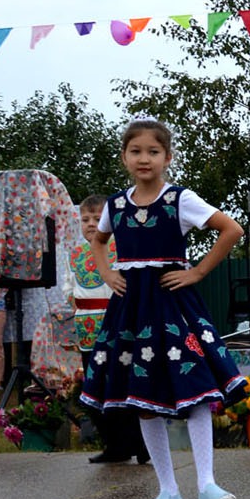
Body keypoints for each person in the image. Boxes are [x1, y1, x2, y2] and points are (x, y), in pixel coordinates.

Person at [79, 118, 246, 499]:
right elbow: (99, 242)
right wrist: (105, 272)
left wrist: (197, 272)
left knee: (197, 385)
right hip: (133, 309)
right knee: (143, 397)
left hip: (173, 304)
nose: (144, 158)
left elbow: (231, 229)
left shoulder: (179, 199)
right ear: (124, 157)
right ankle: (168, 490)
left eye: (153, 151)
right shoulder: (116, 205)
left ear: (167, 157)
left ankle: (206, 482)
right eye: (136, 151)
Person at [72, 194, 148, 465]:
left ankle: (140, 444)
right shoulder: (76, 254)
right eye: (85, 219)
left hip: (117, 329)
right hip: (87, 333)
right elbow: (72, 294)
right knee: (96, 390)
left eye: (97, 218)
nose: (91, 224)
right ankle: (114, 445)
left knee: (124, 387)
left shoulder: (121, 248)